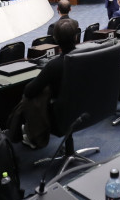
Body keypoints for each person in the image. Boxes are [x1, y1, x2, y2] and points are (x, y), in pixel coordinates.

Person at [14, 18, 81, 148]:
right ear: (76, 37)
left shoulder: (54, 65)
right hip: (86, 107)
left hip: (61, 115)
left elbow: (29, 91)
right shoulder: (88, 55)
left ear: (55, 39)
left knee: (31, 98)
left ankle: (30, 133)